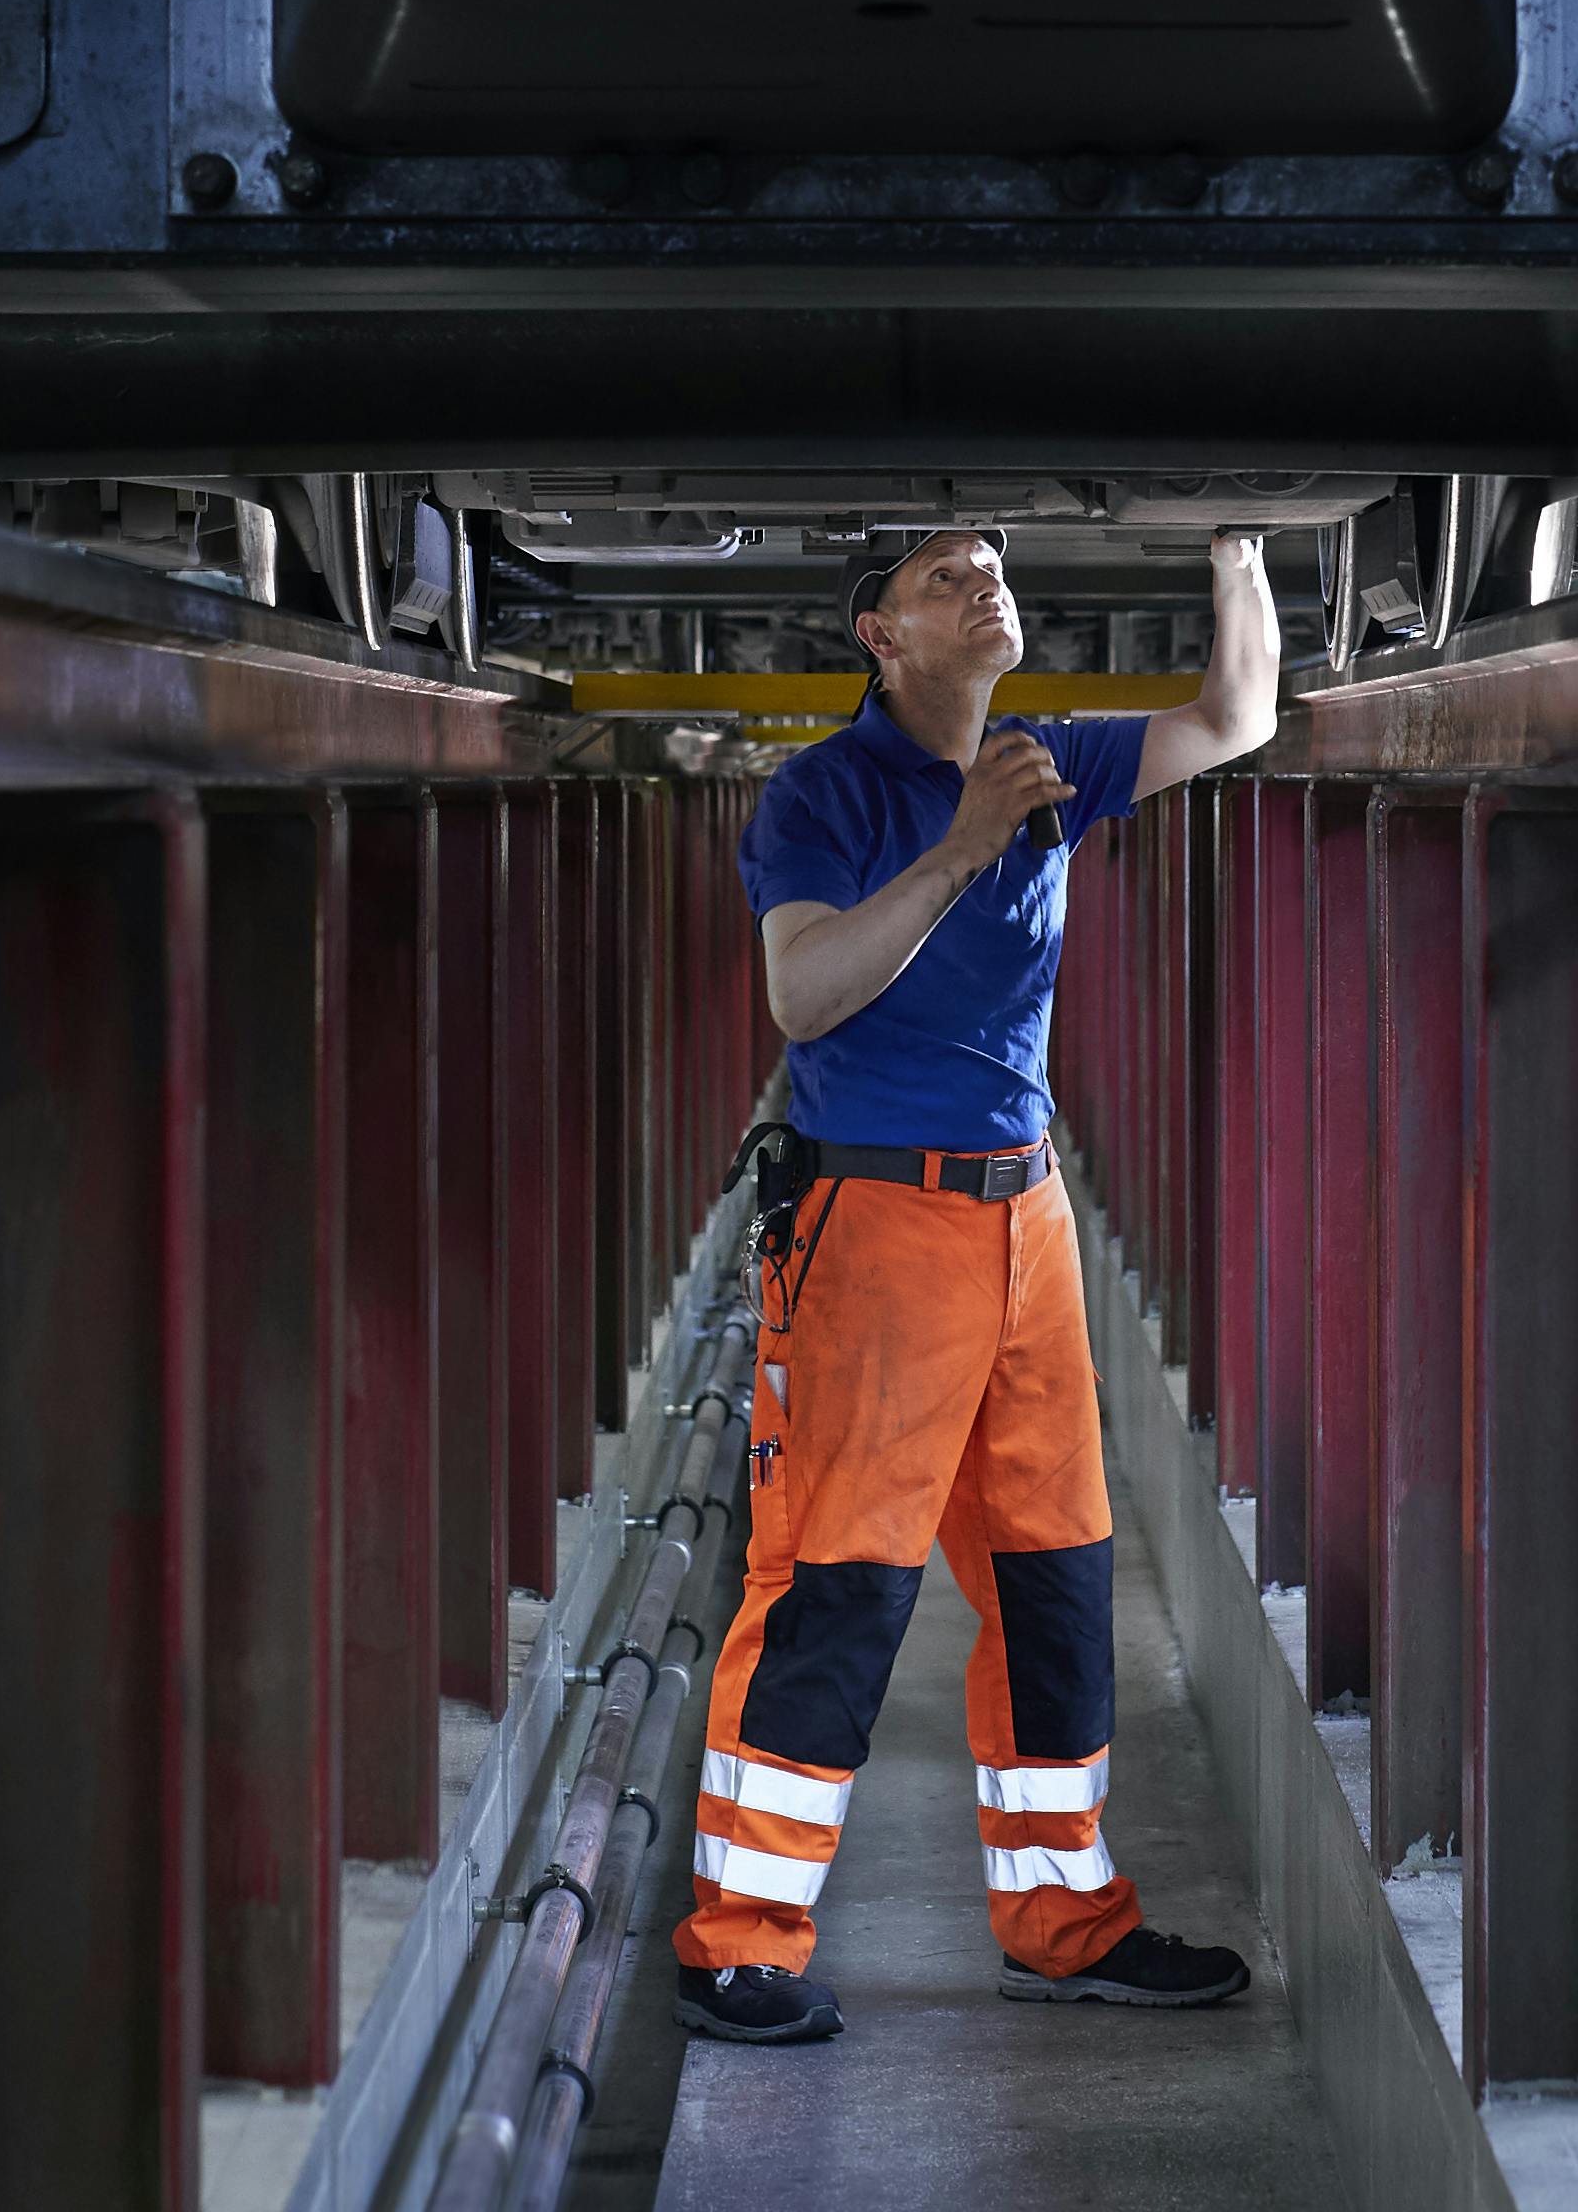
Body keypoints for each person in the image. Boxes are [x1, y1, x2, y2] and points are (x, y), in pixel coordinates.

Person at [672, 523, 1281, 2046]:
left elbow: (1236, 718)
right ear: (878, 636)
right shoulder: (828, 795)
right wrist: (959, 845)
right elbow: (802, 990)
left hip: (1028, 1219)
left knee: (1056, 1578)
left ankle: (1064, 1922)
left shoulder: (1046, 759)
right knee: (835, 1586)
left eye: (993, 564)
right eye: (944, 577)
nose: (985, 585)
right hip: (876, 1224)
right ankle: (736, 1941)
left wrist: (1245, 545)